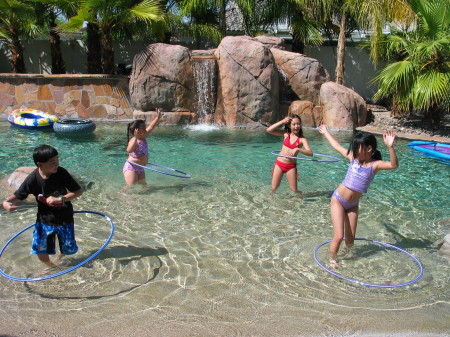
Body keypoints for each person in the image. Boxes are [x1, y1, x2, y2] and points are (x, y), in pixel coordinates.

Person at [317, 125, 398, 267]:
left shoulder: (375, 165)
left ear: (369, 149)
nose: (354, 150)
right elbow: (336, 146)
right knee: (339, 236)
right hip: (339, 201)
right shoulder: (353, 158)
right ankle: (331, 260)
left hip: (353, 205)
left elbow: (393, 165)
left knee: (350, 239)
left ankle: (347, 255)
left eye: (357, 147)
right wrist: (326, 132)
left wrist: (390, 147)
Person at [2, 145, 83, 268]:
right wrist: (6, 203)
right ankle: (50, 266)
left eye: (57, 161)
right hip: (44, 219)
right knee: (39, 248)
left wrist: (61, 198)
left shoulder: (61, 173)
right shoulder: (33, 179)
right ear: (40, 165)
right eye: (52, 163)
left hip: (65, 218)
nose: (56, 164)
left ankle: (59, 258)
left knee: (68, 248)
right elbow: (19, 194)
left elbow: (78, 191)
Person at [267, 114, 313, 195]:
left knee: (294, 190)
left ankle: (300, 201)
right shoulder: (285, 134)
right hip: (279, 164)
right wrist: (282, 121)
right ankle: (271, 203)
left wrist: (298, 149)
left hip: (290, 166)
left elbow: (310, 153)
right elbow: (269, 130)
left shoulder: (302, 139)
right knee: (274, 188)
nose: (296, 126)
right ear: (289, 125)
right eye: (294, 124)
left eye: (298, 124)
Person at [123, 108, 162, 186]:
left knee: (144, 185)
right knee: (130, 187)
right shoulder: (134, 140)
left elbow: (151, 126)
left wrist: (158, 117)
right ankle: (121, 195)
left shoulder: (143, 136)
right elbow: (129, 150)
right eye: (143, 128)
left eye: (145, 127)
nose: (145, 129)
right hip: (131, 167)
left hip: (140, 168)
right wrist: (136, 137)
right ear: (136, 131)